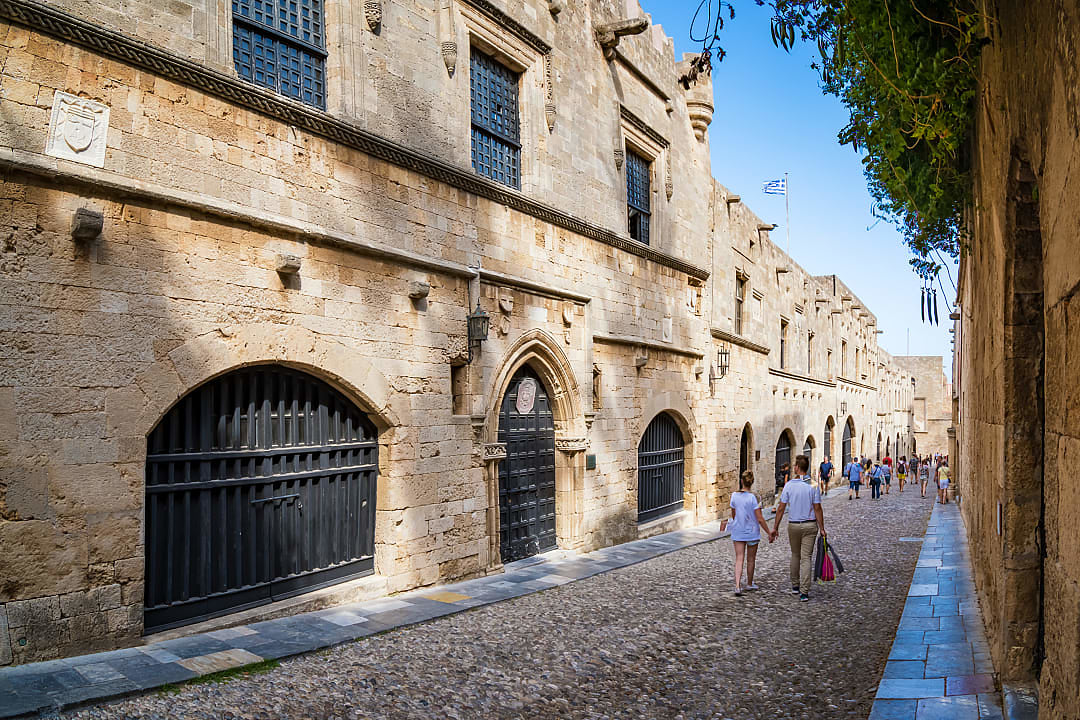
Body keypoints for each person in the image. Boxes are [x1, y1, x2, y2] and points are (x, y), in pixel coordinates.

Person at [771, 454, 826, 601]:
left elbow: (781, 508)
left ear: (796, 468)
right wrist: (822, 528)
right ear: (806, 468)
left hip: (794, 525)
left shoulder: (789, 485)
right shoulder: (813, 485)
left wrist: (775, 527)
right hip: (809, 525)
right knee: (806, 557)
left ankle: (795, 585)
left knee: (795, 555)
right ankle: (804, 591)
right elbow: (818, 508)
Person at [727, 470, 774, 596]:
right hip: (752, 531)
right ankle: (749, 583)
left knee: (739, 558)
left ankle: (737, 585)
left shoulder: (734, 496)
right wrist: (769, 532)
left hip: (738, 530)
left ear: (741, 481)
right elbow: (759, 518)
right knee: (751, 559)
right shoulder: (754, 498)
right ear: (751, 482)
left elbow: (734, 513)